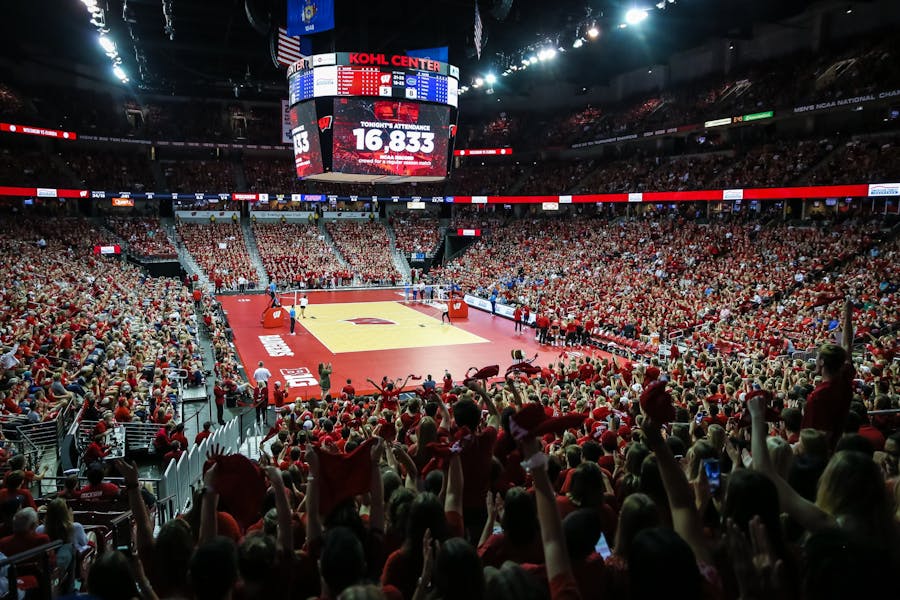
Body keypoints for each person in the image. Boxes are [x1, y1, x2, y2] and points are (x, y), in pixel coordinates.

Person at [253, 361, 272, 426]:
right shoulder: (266, 370)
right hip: (264, 382)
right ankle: (266, 405)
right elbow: (270, 376)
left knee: (258, 393)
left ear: (258, 365)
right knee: (265, 395)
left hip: (258, 382)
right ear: (263, 364)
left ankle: (258, 421)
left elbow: (254, 377)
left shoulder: (256, 370)